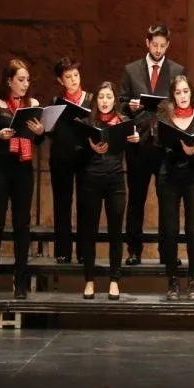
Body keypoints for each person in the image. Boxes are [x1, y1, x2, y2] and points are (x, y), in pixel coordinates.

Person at [120, 23, 186, 266]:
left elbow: (182, 102)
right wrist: (131, 107)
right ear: (147, 43)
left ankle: (167, 251)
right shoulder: (131, 70)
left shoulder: (177, 69)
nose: (158, 50)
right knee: (136, 198)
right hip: (138, 143)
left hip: (164, 144)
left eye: (162, 45)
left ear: (168, 45)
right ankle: (134, 250)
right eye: (154, 45)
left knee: (167, 200)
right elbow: (121, 104)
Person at [0, 58, 46, 299]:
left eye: (27, 80)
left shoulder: (33, 104)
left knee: (22, 225)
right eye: (20, 80)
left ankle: (21, 283)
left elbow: (37, 140)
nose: (25, 84)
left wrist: (40, 134)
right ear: (9, 81)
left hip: (23, 169)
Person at [77, 82, 140, 300]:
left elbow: (133, 152)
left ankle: (114, 280)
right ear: (96, 100)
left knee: (115, 232)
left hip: (115, 182)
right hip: (91, 181)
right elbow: (75, 152)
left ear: (115, 100)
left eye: (109, 97)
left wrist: (136, 141)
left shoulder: (122, 122)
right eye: (101, 97)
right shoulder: (86, 123)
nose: (105, 101)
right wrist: (89, 147)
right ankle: (89, 281)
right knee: (89, 232)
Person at [155, 75, 194, 301]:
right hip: (168, 178)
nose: (182, 96)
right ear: (173, 96)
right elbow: (160, 146)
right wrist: (182, 152)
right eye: (178, 93)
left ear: (192, 93)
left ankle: (193, 280)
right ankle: (172, 281)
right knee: (169, 231)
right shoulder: (165, 118)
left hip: (193, 178)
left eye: (186, 92)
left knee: (193, 230)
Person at [49, 57, 92, 264]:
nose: (74, 80)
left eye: (76, 75)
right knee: (62, 203)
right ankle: (63, 251)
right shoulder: (56, 103)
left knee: (85, 204)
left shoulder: (91, 100)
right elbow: (48, 132)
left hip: (85, 157)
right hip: (61, 157)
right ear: (60, 80)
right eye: (68, 77)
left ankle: (84, 252)